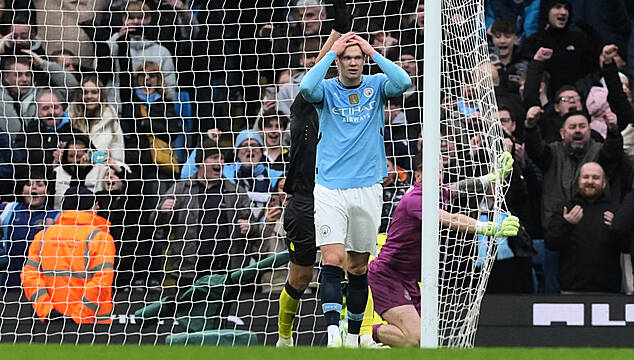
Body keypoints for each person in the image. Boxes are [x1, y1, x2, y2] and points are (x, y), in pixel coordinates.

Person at [298, 31, 411, 347]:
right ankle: (333, 332)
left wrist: (373, 52)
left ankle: (354, 335)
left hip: (367, 187)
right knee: (332, 258)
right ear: (338, 63)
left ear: (363, 61)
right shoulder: (328, 90)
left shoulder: (376, 87)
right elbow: (306, 88)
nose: (352, 63)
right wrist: (331, 52)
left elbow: (402, 83)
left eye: (356, 58)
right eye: (346, 58)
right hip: (330, 188)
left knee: (359, 266)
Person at [368, 153, 520, 347]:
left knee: (424, 342)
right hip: (388, 276)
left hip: (410, 279)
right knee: (417, 340)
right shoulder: (415, 199)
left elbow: (460, 187)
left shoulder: (438, 192)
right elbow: (452, 219)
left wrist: (492, 177)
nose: (438, 177)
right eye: (432, 172)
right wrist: (489, 228)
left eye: (440, 172)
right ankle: (364, 335)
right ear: (418, 176)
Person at [151, 138, 255, 292]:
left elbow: (253, 228)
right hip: (189, 270)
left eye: (221, 158)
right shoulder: (181, 188)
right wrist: (163, 211)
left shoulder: (235, 191)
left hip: (226, 268)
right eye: (214, 158)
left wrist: (249, 227)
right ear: (200, 162)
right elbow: (153, 222)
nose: (219, 162)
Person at [21, 185, 115, 324]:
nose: (98, 208)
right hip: (93, 323)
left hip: (50, 323)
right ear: (90, 208)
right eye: (96, 205)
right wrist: (79, 315)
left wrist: (47, 310)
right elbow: (102, 280)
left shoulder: (43, 236)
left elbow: (29, 276)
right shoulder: (100, 237)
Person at [545, 162, 626, 293]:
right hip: (571, 290)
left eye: (595, 177)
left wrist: (617, 228)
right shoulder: (566, 208)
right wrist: (567, 224)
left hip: (608, 293)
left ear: (604, 183)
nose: (590, 181)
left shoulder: (616, 210)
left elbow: (627, 247)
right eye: (585, 177)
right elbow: (551, 243)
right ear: (578, 181)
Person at [0, 169, 57, 289]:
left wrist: (51, 231)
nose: (33, 188)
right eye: (29, 184)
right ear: (22, 190)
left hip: (39, 286)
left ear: (48, 192)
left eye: (39, 184)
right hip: (8, 282)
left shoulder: (55, 217)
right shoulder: (9, 210)